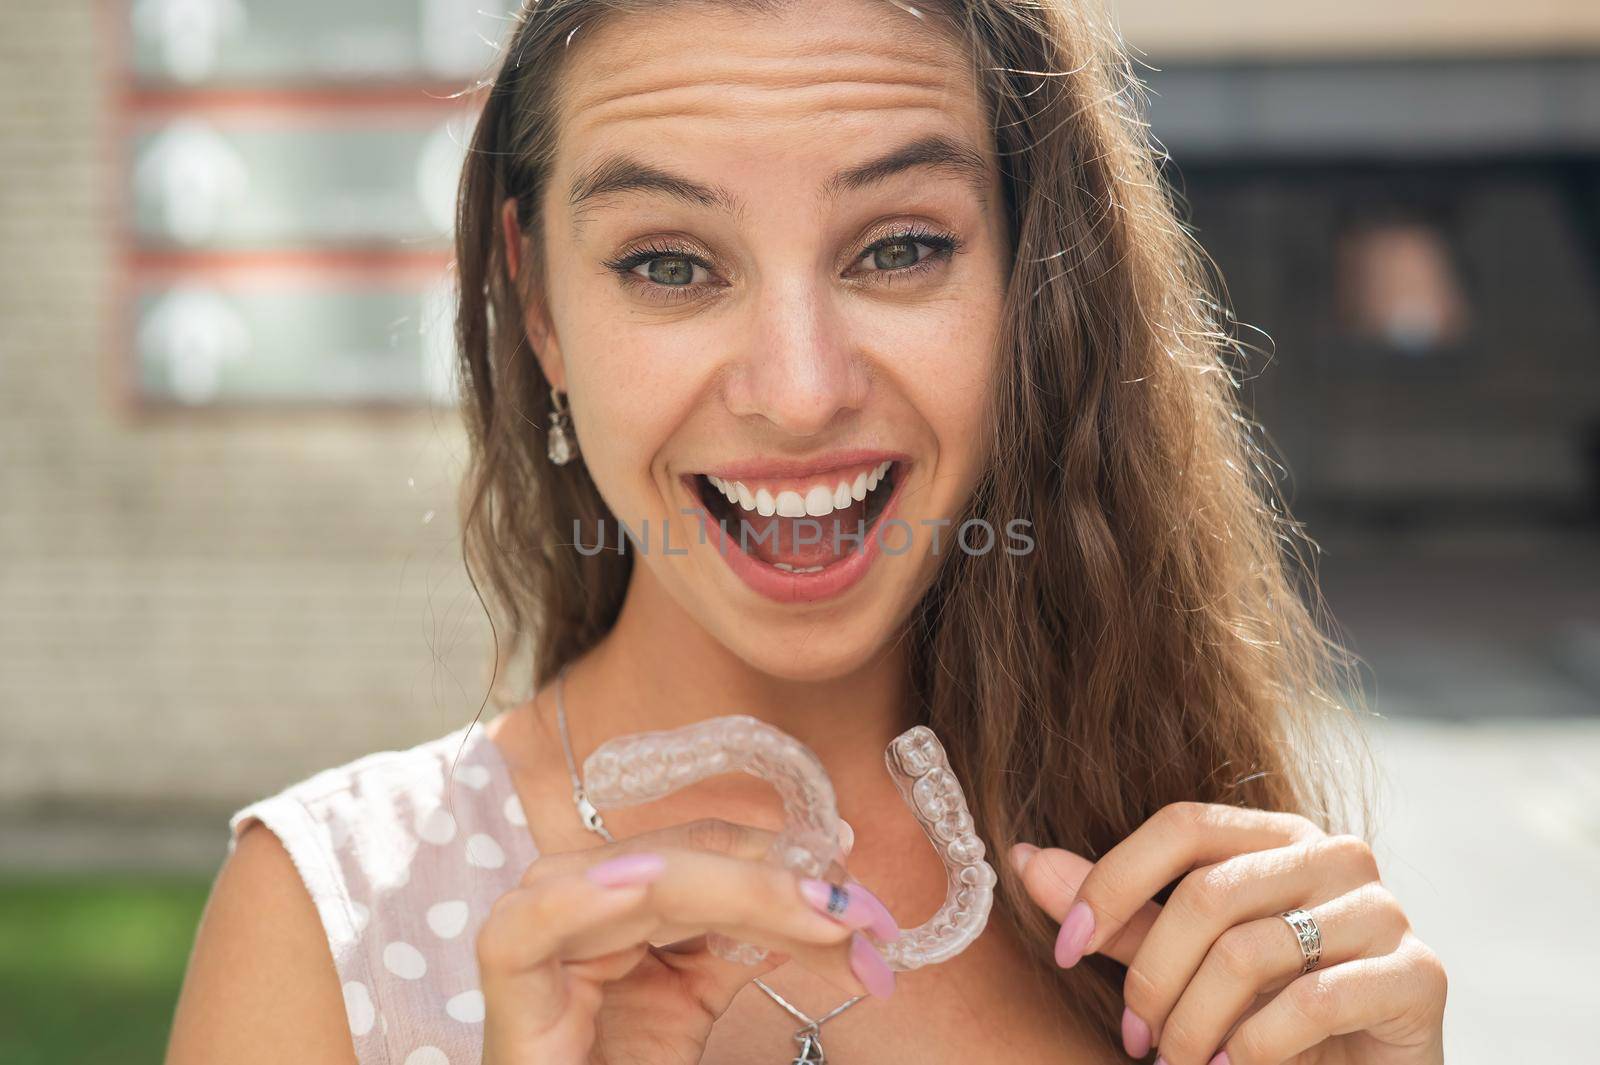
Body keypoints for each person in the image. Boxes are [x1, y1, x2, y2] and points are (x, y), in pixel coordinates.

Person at [166, 1, 1449, 1063]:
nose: (798, 389)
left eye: (897, 247)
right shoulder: (324, 923)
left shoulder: (1191, 884)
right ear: (539, 302)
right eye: (669, 263)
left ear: (1032, 286)